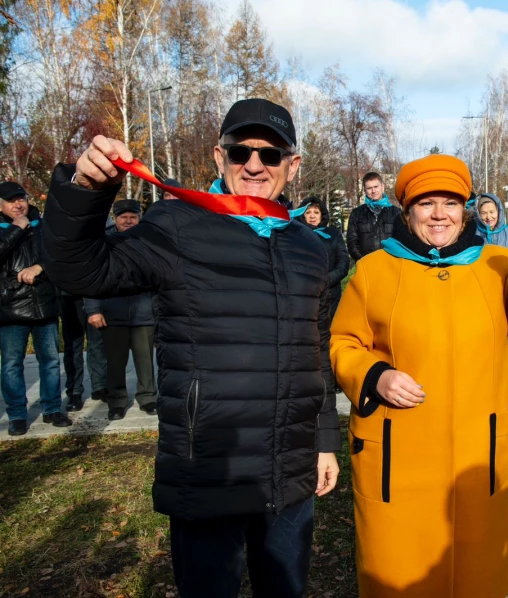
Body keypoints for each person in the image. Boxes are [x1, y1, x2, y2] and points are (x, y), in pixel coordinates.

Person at [41, 98, 340, 598]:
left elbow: (318, 347)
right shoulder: (177, 225)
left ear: (293, 164)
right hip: (209, 466)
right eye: (240, 151)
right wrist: (86, 194)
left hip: (290, 467)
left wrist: (325, 439)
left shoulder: (309, 246)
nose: (254, 165)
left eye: (270, 155)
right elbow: (79, 270)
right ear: (218, 158)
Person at [330, 154, 508, 598]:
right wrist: (374, 375)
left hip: (479, 458)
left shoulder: (495, 265)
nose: (439, 214)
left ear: (466, 210)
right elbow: (343, 343)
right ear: (407, 211)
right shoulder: (374, 271)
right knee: (398, 575)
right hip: (397, 462)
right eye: (426, 204)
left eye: (451, 203)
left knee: (477, 576)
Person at [0, 181, 72, 436]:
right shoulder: (4, 228)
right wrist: (15, 230)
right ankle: (17, 414)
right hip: (11, 308)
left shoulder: (42, 225)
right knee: (11, 364)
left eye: (21, 198)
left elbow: (59, 255)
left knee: (51, 361)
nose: (18, 204)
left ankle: (52, 409)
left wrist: (39, 267)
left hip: (44, 304)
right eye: (11, 201)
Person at [83, 199, 158, 420]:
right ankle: (116, 401)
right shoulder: (102, 242)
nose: (128, 220)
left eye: (132, 216)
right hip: (111, 312)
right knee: (115, 363)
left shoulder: (150, 241)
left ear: (139, 218)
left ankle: (148, 398)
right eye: (123, 216)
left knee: (145, 362)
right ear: (114, 218)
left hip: (144, 312)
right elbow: (92, 279)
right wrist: (93, 310)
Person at [297, 196, 350, 320]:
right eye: (308, 212)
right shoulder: (296, 235)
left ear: (322, 215)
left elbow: (343, 262)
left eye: (316, 212)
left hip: (331, 293)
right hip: (304, 292)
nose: (312, 216)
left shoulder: (333, 234)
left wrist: (327, 280)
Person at [58, 287, 108, 411]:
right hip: (68, 293)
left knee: (98, 343)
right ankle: (74, 391)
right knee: (73, 346)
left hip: (95, 292)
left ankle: (100, 387)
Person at [346, 171, 401, 261]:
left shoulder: (396, 213)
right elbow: (352, 242)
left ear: (382, 187)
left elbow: (401, 241)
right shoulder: (356, 213)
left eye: (376, 186)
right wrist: (363, 261)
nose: (373, 191)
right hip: (365, 266)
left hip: (391, 265)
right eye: (369, 188)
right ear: (364, 190)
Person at [474, 193, 508, 263]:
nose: (488, 217)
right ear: (478, 214)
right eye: (483, 213)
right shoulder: (473, 233)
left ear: (498, 212)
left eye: (492, 212)